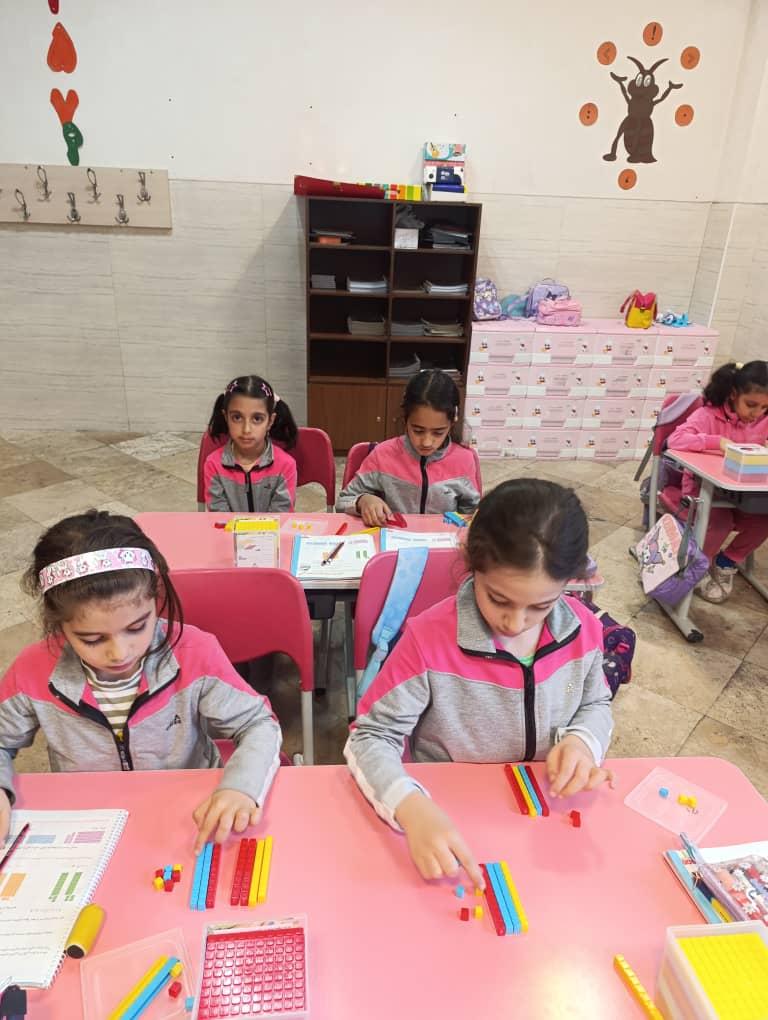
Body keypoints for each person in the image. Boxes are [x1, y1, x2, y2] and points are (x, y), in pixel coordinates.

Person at [345, 479, 613, 887]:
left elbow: (596, 704)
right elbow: (370, 736)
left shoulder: (584, 630)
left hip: (543, 823)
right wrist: (408, 805)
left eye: (541, 606)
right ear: (472, 563)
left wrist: (583, 742)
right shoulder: (428, 640)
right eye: (499, 599)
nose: (515, 623)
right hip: (450, 823)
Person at [0, 511, 282, 852]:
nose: (119, 652)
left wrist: (240, 787)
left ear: (154, 600)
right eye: (92, 639)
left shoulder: (194, 652)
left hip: (186, 815)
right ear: (59, 624)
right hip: (88, 824)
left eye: (137, 627)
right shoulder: (33, 670)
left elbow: (258, 724)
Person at [667, 360, 768, 603]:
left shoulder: (762, 420)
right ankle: (699, 566)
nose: (757, 413)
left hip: (746, 494)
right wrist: (717, 442)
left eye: (765, 407)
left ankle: (727, 561)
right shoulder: (708, 415)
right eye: (751, 405)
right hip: (703, 490)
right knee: (720, 523)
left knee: (763, 520)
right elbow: (674, 440)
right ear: (734, 394)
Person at [336, 369, 481, 525]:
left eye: (438, 432)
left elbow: (473, 513)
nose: (426, 442)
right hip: (394, 536)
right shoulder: (383, 455)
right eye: (418, 430)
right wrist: (363, 501)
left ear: (452, 422)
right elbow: (343, 501)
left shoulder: (464, 460)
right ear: (405, 420)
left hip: (443, 538)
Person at [204, 375, 298, 512]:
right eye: (237, 417)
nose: (246, 429)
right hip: (227, 528)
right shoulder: (213, 465)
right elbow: (219, 517)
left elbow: (280, 517)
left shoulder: (286, 465)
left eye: (257, 419)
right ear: (226, 417)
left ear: (270, 421)